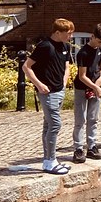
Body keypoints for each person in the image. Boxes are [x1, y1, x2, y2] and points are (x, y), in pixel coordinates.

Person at [22, 18, 75, 175]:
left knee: (48, 125)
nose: (70, 37)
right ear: (58, 32)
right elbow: (27, 66)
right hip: (48, 92)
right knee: (55, 125)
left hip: (59, 90)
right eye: (68, 33)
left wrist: (64, 82)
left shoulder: (65, 46)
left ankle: (48, 161)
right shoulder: (45, 46)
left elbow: (66, 66)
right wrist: (39, 84)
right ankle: (51, 160)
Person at [72, 23, 101, 164]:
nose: (100, 44)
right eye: (99, 41)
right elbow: (82, 76)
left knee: (93, 118)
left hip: (95, 87)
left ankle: (92, 146)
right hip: (83, 88)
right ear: (92, 36)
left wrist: (100, 80)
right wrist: (95, 87)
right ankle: (78, 148)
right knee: (80, 119)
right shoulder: (83, 53)